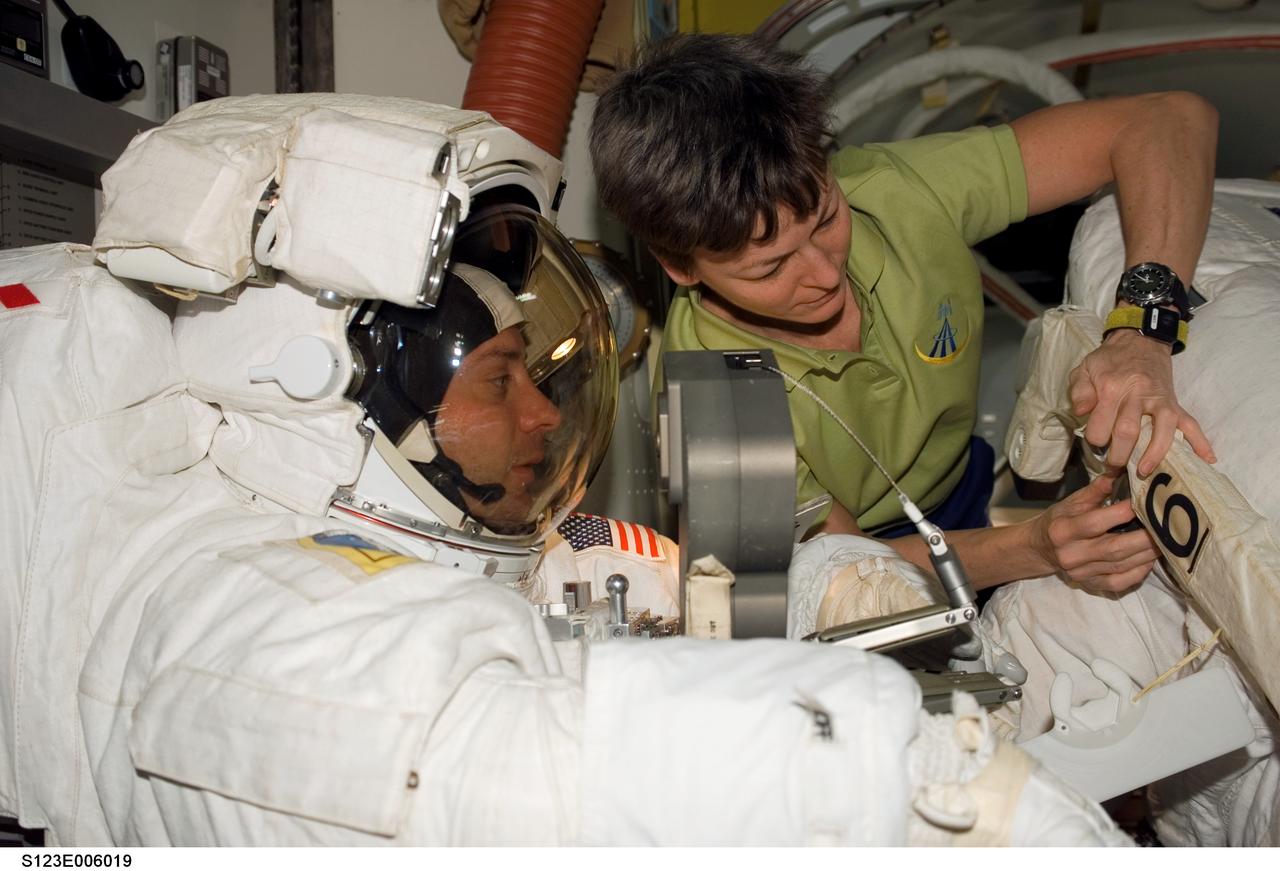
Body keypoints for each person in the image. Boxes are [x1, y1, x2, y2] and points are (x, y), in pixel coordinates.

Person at [0, 92, 1127, 847]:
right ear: (337, 394)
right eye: (500, 379)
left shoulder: (365, 528)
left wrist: (825, 579)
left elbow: (586, 593)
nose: (542, 411)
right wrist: (964, 794)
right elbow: (520, 761)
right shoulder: (248, 615)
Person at [589, 33, 1218, 595]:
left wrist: (1145, 327)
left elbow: (1169, 121)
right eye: (771, 268)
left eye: (827, 220)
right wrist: (1032, 548)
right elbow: (839, 574)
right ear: (682, 267)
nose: (827, 273)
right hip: (866, 550)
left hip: (959, 477)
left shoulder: (890, 191)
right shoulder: (713, 395)